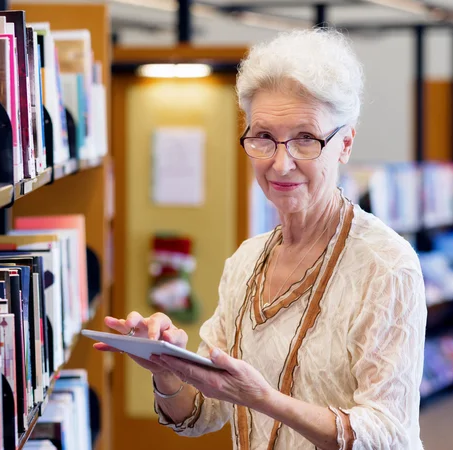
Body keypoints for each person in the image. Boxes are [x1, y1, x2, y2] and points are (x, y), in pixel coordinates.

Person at [96, 28, 427, 450]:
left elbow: (389, 436)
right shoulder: (246, 261)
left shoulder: (385, 264)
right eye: (264, 137)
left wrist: (265, 400)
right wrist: (165, 366)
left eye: (306, 138)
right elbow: (202, 413)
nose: (281, 163)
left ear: (345, 143)